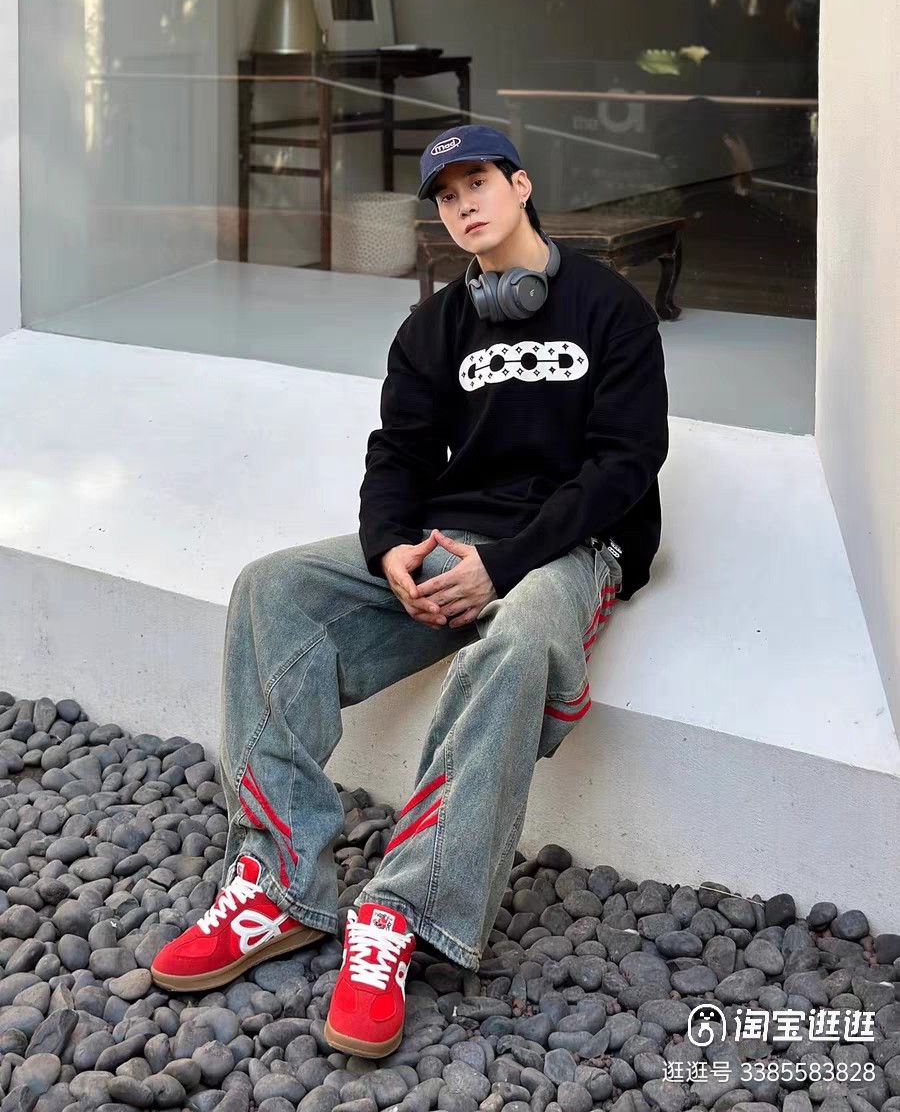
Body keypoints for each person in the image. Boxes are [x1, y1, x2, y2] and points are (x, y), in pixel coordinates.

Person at [149, 124, 669, 1059]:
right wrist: (389, 547)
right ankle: (277, 886)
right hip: (451, 539)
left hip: (572, 548)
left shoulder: (610, 309)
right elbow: (396, 454)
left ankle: (398, 913)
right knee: (272, 589)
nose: (464, 205)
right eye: (447, 195)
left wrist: (504, 565)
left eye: (479, 184)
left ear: (521, 185)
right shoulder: (432, 328)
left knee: (519, 638)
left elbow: (626, 464)